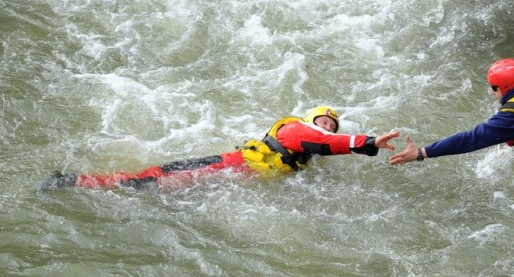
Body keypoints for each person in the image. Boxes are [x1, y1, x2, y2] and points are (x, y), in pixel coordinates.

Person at [42, 106, 400, 190]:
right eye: (322, 121)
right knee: (147, 183)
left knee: (158, 191)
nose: (327, 126)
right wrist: (368, 142)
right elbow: (327, 144)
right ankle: (74, 182)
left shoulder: (310, 146)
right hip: (224, 166)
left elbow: (324, 147)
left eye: (332, 124)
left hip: (234, 176)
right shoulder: (295, 130)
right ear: (310, 121)